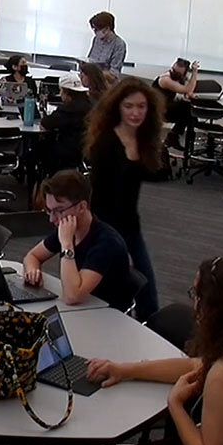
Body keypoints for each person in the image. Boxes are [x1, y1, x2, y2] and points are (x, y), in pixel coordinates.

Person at [91, 256, 223, 445]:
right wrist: (125, 370)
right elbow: (195, 366)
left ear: (212, 308)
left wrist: (176, 405)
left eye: (196, 295)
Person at [84, 78, 164, 321]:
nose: (136, 112)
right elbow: (101, 200)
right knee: (109, 297)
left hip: (131, 225)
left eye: (141, 106)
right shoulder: (106, 144)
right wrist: (117, 247)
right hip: (106, 228)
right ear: (118, 106)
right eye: (129, 106)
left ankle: (155, 346)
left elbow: (157, 174)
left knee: (147, 294)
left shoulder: (144, 140)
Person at [23, 169, 134, 311]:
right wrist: (32, 271)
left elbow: (72, 297)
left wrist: (67, 244)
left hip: (107, 318)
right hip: (83, 310)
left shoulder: (106, 243)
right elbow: (32, 256)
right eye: (49, 210)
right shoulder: (68, 229)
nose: (52, 219)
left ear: (82, 207)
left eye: (59, 210)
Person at [40, 72, 92, 173]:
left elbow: (46, 123)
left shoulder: (68, 110)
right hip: (86, 148)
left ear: (66, 92)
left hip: (69, 150)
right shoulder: (90, 105)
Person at [152, 58, 200, 150]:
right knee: (188, 110)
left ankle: (175, 137)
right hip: (157, 110)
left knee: (189, 112)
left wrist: (190, 94)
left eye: (179, 73)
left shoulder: (177, 78)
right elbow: (187, 89)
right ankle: (175, 136)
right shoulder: (166, 79)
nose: (175, 74)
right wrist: (194, 72)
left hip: (166, 106)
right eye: (174, 71)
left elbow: (187, 91)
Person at [87, 11, 127, 78]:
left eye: (96, 30)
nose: (94, 32)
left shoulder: (119, 44)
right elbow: (90, 60)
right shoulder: (96, 39)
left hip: (106, 82)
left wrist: (95, 73)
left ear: (107, 29)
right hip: (93, 79)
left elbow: (114, 73)